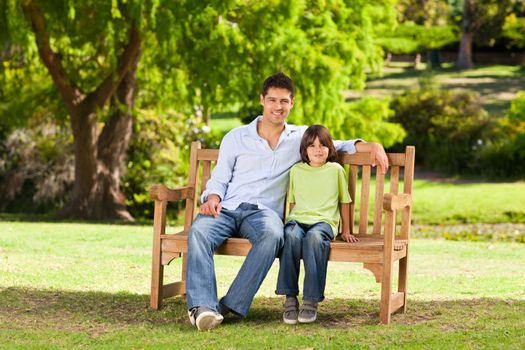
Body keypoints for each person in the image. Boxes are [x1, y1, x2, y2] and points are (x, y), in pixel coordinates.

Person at [186, 72, 389, 331]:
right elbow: (220, 178)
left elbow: (337, 144)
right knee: (199, 232)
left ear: (291, 103)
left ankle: (228, 304)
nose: (277, 107)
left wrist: (371, 145)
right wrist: (212, 197)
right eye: (272, 100)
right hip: (227, 207)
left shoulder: (299, 138)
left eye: (283, 101)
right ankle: (202, 307)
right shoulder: (236, 137)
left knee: (274, 236)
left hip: (263, 214)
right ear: (262, 100)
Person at [275, 124, 359, 325]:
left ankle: (311, 300)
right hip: (298, 220)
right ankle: (290, 299)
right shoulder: (296, 170)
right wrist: (291, 221)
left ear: (330, 148)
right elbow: (293, 202)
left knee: (313, 240)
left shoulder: (335, 170)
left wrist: (345, 230)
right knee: (291, 237)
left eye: (322, 145)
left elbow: (344, 201)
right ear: (304, 150)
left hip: (324, 223)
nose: (317, 150)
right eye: (312, 146)